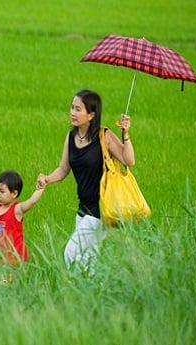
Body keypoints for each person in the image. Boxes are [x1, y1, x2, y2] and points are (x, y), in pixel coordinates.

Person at [42, 89, 134, 275]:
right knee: (88, 261)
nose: (72, 113)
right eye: (72, 108)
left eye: (78, 109)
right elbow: (63, 169)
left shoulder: (104, 136)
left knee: (70, 253)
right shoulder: (71, 138)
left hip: (101, 208)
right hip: (83, 207)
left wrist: (125, 133)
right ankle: (92, 298)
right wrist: (47, 179)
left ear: (91, 115)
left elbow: (128, 160)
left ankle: (75, 292)